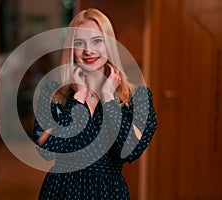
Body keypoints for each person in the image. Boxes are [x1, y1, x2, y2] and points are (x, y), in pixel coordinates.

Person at [31, 8, 158, 200]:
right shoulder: (53, 93)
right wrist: (79, 97)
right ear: (71, 50)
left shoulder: (137, 98)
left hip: (109, 193)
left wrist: (108, 98)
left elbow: (131, 150)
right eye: (79, 43)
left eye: (97, 41)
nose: (88, 50)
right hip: (60, 191)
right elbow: (47, 150)